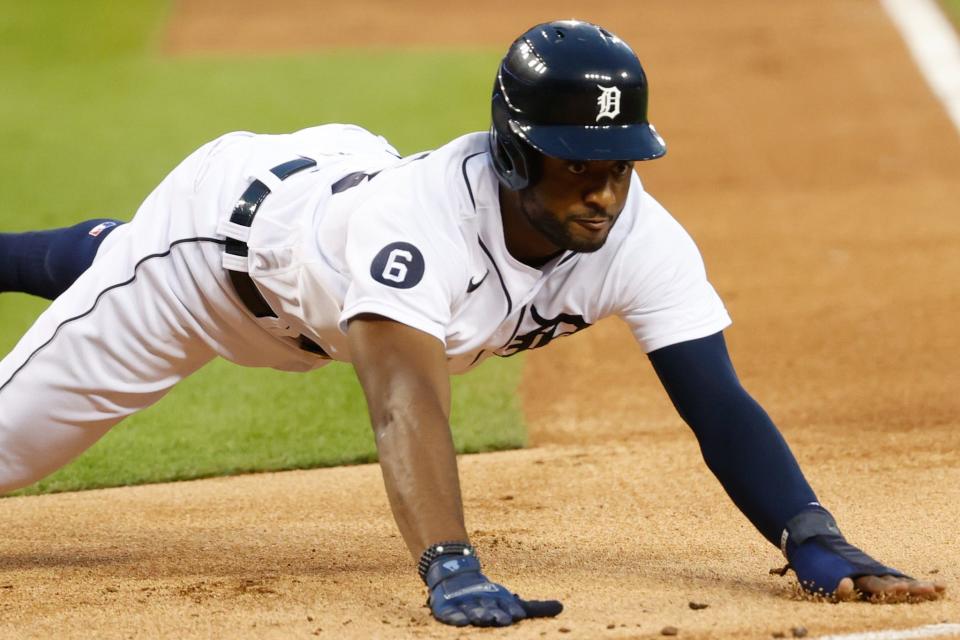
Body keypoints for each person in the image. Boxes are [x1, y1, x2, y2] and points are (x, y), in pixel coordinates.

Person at [0, 20, 944, 628]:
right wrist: (447, 562)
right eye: (578, 165)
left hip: (327, 220)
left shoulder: (638, 232)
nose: (605, 193)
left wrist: (808, 533)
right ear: (513, 151)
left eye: (620, 164)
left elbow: (717, 399)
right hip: (215, 268)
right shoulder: (418, 226)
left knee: (137, 263)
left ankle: (88, 256)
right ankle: (119, 258)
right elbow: (405, 401)